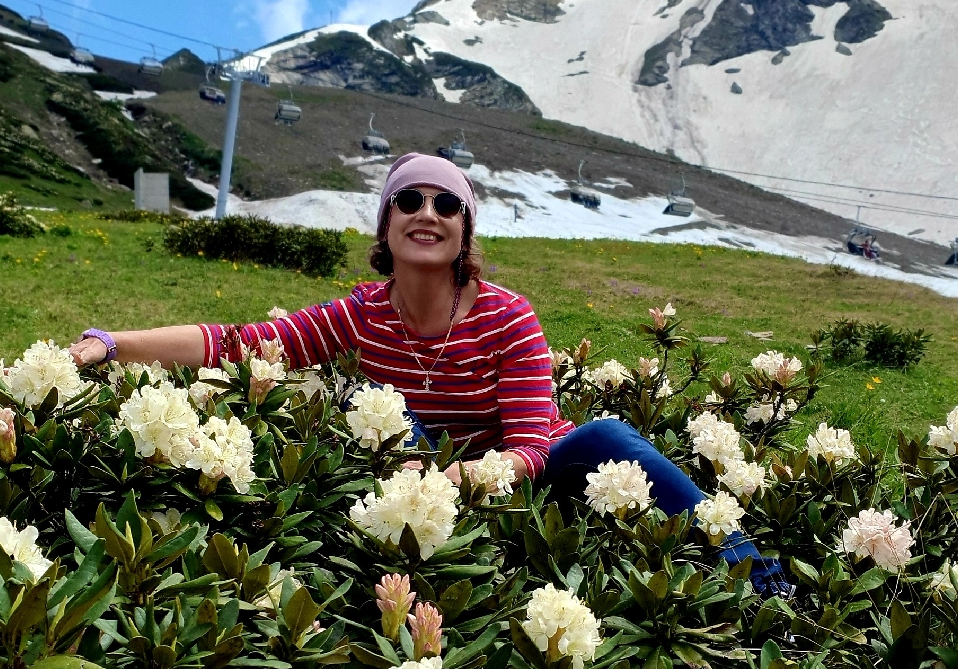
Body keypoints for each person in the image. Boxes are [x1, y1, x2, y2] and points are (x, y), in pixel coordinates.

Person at [69, 151, 790, 595]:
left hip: (525, 477)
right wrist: (111, 342)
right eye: (408, 200)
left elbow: (537, 447)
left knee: (605, 436)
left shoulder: (509, 315)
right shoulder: (361, 314)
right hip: (425, 479)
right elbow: (237, 342)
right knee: (388, 414)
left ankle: (766, 588)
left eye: (447, 205)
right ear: (386, 225)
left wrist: (473, 475)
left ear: (464, 231)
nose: (427, 212)